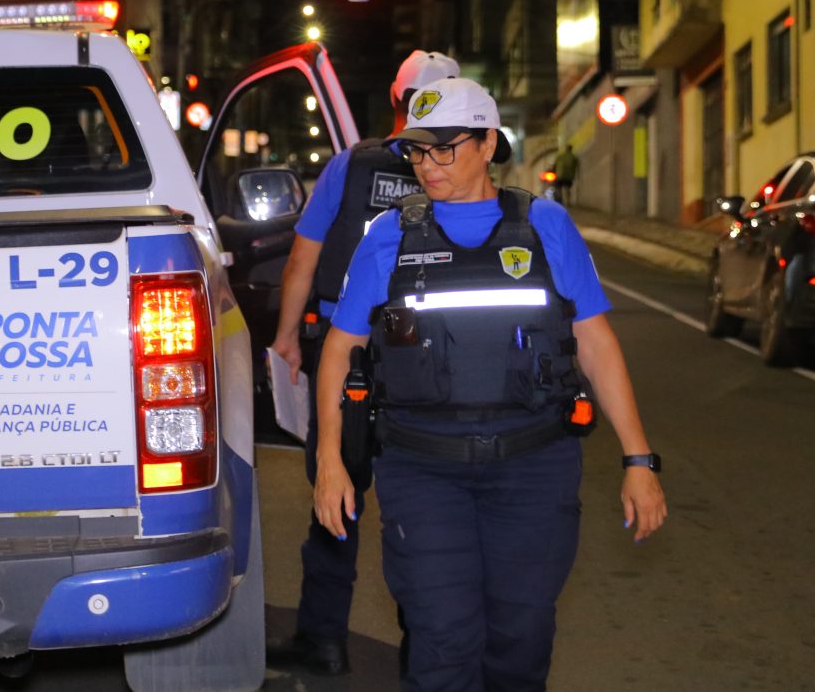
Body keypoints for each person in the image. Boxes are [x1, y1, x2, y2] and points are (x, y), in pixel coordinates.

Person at [312, 77, 667, 691]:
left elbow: (596, 343)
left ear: (486, 143)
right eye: (417, 151)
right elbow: (342, 349)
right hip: (423, 471)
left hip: (533, 467)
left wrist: (638, 458)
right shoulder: (388, 236)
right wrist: (328, 460)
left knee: (521, 639)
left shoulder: (546, 227)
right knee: (443, 639)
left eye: (443, 148)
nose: (428, 165)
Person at [266, 50, 460, 676]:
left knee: (336, 492)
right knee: (421, 504)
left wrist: (289, 336)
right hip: (424, 358)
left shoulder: (351, 167)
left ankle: (323, 639)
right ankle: (421, 647)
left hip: (345, 354)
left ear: (395, 98)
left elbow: (303, 258)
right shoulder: (461, 168)